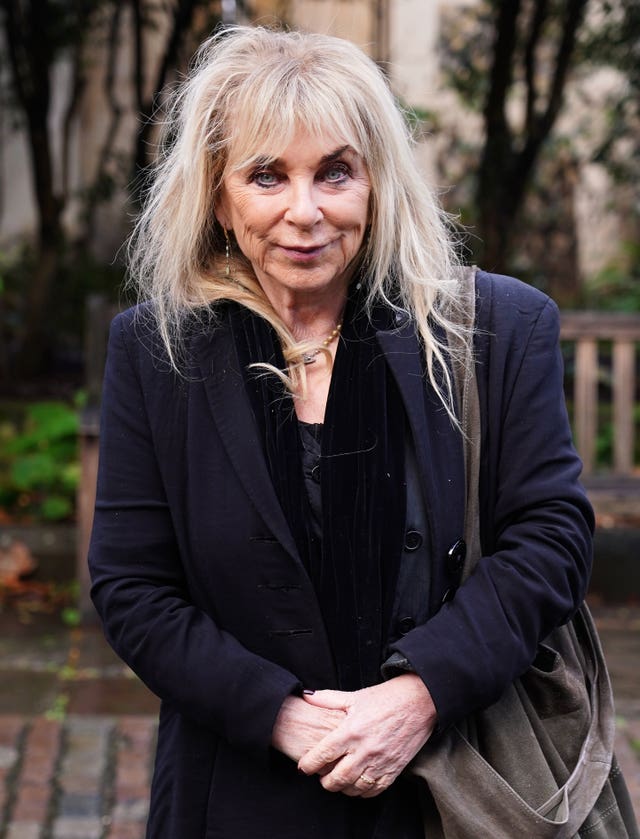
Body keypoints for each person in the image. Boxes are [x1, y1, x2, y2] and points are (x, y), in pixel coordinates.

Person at [88, 25, 595, 838]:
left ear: (377, 182)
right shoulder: (159, 352)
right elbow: (132, 587)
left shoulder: (494, 329)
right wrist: (284, 717)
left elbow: (551, 537)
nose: (304, 211)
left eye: (334, 172)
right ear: (219, 195)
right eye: (265, 175)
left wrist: (420, 693)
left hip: (452, 789)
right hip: (238, 793)